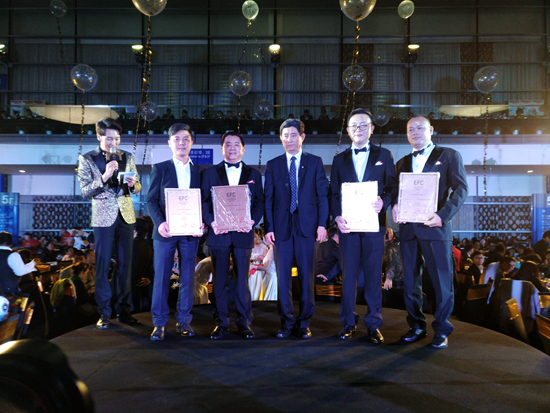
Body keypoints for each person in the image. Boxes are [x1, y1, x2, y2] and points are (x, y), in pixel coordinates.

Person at [392, 115, 468, 349]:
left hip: (435, 228)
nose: (414, 132)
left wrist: (443, 215)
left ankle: (442, 329)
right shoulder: (402, 162)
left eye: (419, 128)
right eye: (410, 129)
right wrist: (394, 205)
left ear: (431, 130)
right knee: (410, 282)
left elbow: (461, 189)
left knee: (441, 282)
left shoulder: (449, 155)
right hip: (408, 230)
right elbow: (396, 192)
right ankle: (416, 325)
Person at [330, 108, 398, 343]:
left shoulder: (385, 155)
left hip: (373, 226)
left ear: (372, 129)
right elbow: (333, 193)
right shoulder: (339, 159)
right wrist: (337, 216)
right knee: (348, 277)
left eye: (363, 125)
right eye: (354, 126)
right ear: (348, 131)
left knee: (373, 276)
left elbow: (392, 187)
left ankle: (373, 324)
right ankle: (348, 322)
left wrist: (384, 202)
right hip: (348, 227)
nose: (358, 129)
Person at [264, 118, 329, 339]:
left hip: (308, 228)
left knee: (307, 278)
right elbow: (268, 199)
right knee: (283, 278)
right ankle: (286, 322)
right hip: (281, 228)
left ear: (302, 137)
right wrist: (269, 227)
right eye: (285, 136)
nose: (289, 139)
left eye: (293, 135)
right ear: (281, 138)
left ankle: (304, 323)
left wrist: (322, 224)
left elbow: (322, 196)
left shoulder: (315, 162)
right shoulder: (273, 165)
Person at [77, 117, 141, 329]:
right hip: (103, 217)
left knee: (125, 265)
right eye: (109, 138)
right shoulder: (87, 158)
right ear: (99, 136)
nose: (114, 143)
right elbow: (85, 191)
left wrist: (133, 184)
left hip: (126, 215)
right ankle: (104, 313)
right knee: (103, 265)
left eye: (117, 138)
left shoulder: (127, 156)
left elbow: (138, 186)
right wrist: (104, 176)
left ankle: (124, 310)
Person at [201, 132, 264, 339]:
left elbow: (259, 202)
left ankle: (244, 322)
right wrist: (212, 221)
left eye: (236, 144)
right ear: (222, 149)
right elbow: (204, 202)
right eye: (228, 144)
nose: (232, 148)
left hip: (243, 233)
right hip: (219, 233)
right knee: (219, 280)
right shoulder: (210, 173)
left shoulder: (254, 174)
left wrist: (252, 221)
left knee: (241, 281)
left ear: (243, 149)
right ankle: (221, 323)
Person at [147, 123, 203, 341]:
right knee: (161, 277)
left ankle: (184, 321)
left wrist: (203, 223)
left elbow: (204, 201)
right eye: (177, 139)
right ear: (169, 143)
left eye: (186, 139)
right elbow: (151, 200)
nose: (181, 143)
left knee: (188, 277)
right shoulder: (160, 168)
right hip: (165, 232)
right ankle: (159, 324)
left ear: (191, 142)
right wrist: (160, 223)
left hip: (190, 232)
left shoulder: (200, 171)